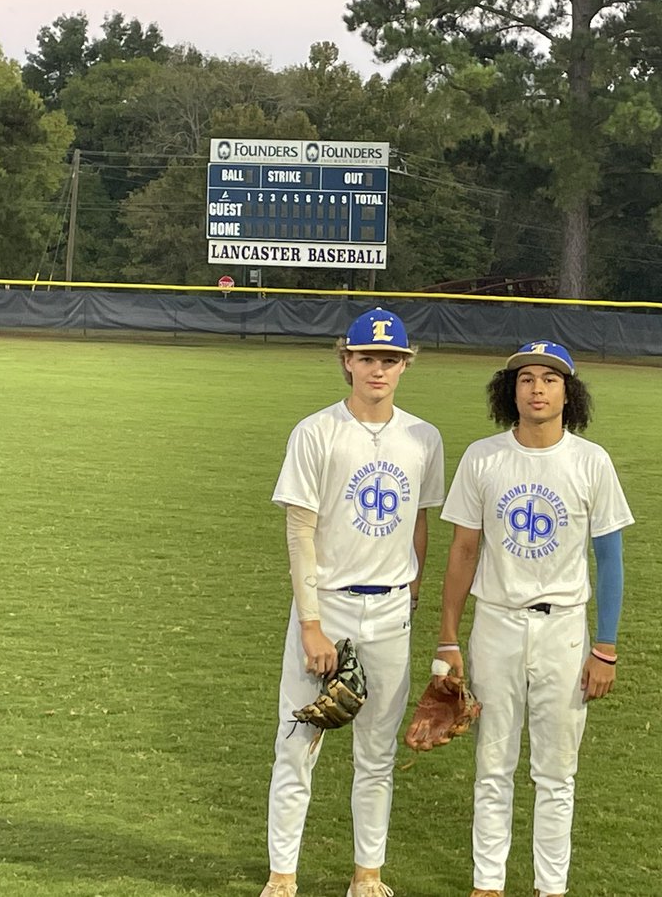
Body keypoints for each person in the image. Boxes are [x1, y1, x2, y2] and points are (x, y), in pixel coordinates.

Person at [433, 340, 634, 897]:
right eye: (526, 379)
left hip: (564, 630)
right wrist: (447, 639)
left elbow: (610, 557)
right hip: (495, 624)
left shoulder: (591, 461)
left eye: (549, 379)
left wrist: (606, 647)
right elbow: (463, 551)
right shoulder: (483, 457)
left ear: (569, 393)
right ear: (511, 391)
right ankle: (487, 884)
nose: (537, 389)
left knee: (556, 772)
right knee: (492, 764)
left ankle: (551, 887)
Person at [262, 307, 445, 897]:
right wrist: (310, 625)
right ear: (347, 361)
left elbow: (419, 522)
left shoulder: (423, 437)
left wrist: (412, 593)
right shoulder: (316, 431)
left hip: (390, 611)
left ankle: (367, 874)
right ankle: (282, 876)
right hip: (328, 607)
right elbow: (300, 531)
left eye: (390, 359)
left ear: (405, 366)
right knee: (297, 744)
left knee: (377, 754)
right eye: (367, 357)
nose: (378, 369)